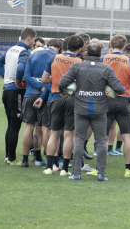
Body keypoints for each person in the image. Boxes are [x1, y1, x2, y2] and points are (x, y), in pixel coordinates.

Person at [58, 41, 125, 181]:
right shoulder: (106, 68)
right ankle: (101, 174)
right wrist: (109, 91)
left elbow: (61, 83)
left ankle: (76, 174)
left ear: (86, 53)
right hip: (99, 110)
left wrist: (64, 92)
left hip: (81, 109)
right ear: (101, 54)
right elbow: (119, 89)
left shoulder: (77, 66)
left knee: (79, 141)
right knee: (101, 141)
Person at [101, 34, 130, 178]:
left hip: (107, 100)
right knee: (127, 137)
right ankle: (128, 170)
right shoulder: (129, 61)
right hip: (124, 100)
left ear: (111, 45)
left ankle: (98, 168)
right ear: (123, 47)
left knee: (103, 137)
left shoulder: (104, 59)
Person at [40, 35, 83, 175]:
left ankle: (49, 167)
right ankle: (64, 168)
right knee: (69, 134)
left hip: (56, 97)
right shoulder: (79, 62)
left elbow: (44, 79)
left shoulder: (54, 58)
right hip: (72, 99)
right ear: (80, 48)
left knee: (54, 134)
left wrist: (57, 80)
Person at [0, 27, 36, 165]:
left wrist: (5, 76)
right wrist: (18, 80)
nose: (34, 43)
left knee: (10, 125)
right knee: (15, 126)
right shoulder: (24, 51)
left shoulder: (11, 49)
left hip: (6, 89)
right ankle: (11, 158)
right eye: (34, 40)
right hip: (15, 91)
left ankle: (8, 156)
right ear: (29, 38)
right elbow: (20, 68)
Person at [18, 39, 62, 167]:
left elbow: (26, 76)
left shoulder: (33, 55)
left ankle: (25, 160)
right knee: (45, 129)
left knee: (29, 127)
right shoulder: (55, 58)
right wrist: (43, 88)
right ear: (58, 48)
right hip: (46, 96)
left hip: (30, 94)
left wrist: (37, 85)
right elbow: (53, 80)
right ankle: (51, 162)